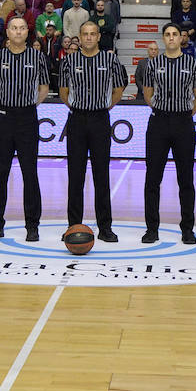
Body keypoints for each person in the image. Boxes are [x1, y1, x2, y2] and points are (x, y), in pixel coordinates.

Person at [59, 20, 128, 242]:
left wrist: (105, 106)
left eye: (92, 34)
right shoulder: (69, 61)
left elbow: (118, 89)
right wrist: (78, 107)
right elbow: (63, 91)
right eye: (85, 34)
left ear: (99, 36)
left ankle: (105, 227)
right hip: (77, 119)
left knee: (101, 175)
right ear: (79, 37)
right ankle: (73, 225)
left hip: (100, 119)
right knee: (75, 176)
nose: (89, 37)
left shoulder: (110, 60)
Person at [0, 16, 50, 242]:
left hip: (27, 117)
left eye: (22, 28)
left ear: (26, 32)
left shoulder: (37, 56)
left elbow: (44, 88)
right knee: (0, 172)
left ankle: (32, 225)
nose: (18, 32)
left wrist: (27, 106)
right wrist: (3, 106)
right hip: (4, 117)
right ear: (8, 32)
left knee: (29, 173)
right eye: (14, 28)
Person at [141, 22, 196, 244]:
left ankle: (187, 229)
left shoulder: (192, 63)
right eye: (167, 34)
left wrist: (184, 113)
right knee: (152, 179)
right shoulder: (153, 63)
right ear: (163, 38)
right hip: (158, 122)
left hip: (183, 123)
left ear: (180, 38)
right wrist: (161, 109)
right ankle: (151, 229)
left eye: (175, 34)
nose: (171, 38)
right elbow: (148, 93)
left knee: (186, 179)